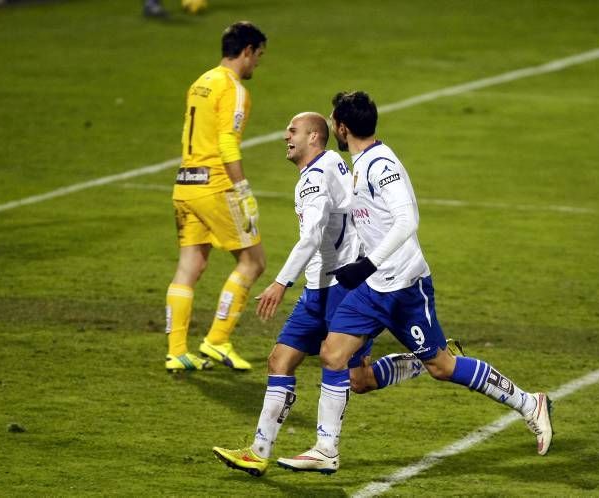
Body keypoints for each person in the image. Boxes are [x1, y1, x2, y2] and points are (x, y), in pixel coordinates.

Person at [276, 91, 554, 474]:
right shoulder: (357, 164)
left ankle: (529, 402)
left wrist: (366, 263)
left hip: (406, 285)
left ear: (342, 127)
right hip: (371, 288)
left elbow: (408, 221)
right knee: (336, 358)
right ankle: (326, 449)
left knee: (442, 365)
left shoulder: (380, 164)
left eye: (332, 120)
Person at [211, 112, 426, 477]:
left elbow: (311, 236)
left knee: (360, 380)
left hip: (341, 290)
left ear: (314, 137)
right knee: (280, 360)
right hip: (318, 290)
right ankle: (258, 451)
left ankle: (424, 361)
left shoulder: (314, 179)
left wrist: (281, 282)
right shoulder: (335, 165)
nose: (285, 137)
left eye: (292, 131)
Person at [165, 22, 267, 372]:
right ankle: (217, 340)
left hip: (185, 184)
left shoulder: (201, 82)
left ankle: (177, 351)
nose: (257, 64)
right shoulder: (234, 89)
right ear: (247, 51)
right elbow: (226, 143)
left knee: (190, 266)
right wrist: (241, 189)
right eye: (258, 56)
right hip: (215, 186)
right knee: (253, 261)